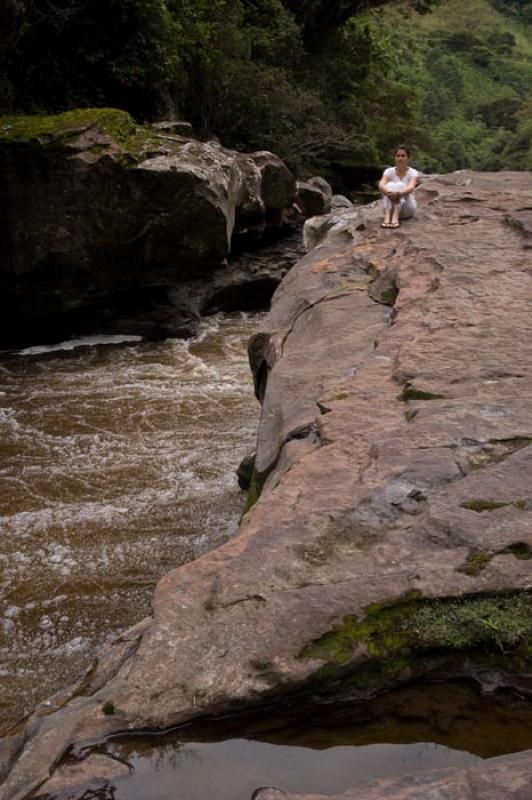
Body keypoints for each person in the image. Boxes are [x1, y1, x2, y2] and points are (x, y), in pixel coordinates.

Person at [378, 145, 419, 229]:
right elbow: (381, 184)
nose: (400, 158)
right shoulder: (389, 171)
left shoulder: (413, 172)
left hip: (406, 209)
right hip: (389, 208)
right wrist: (389, 193)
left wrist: (398, 194)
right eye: (398, 156)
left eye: (403, 156)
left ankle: (395, 217)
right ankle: (388, 216)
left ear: (408, 158)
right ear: (395, 158)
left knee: (400, 184)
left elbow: (411, 187)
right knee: (390, 185)